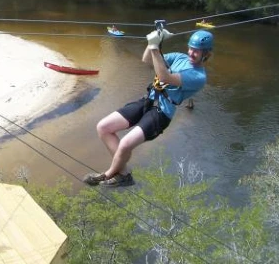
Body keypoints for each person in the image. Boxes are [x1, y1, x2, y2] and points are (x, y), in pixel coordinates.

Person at [83, 29, 213, 187]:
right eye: (191, 48)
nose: (192, 53)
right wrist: (152, 41)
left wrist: (155, 47)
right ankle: (124, 174)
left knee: (125, 144)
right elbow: (147, 60)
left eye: (197, 51)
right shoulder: (180, 57)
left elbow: (165, 77)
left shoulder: (199, 77)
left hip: (162, 113)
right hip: (147, 101)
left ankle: (108, 174)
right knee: (103, 127)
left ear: (206, 54)